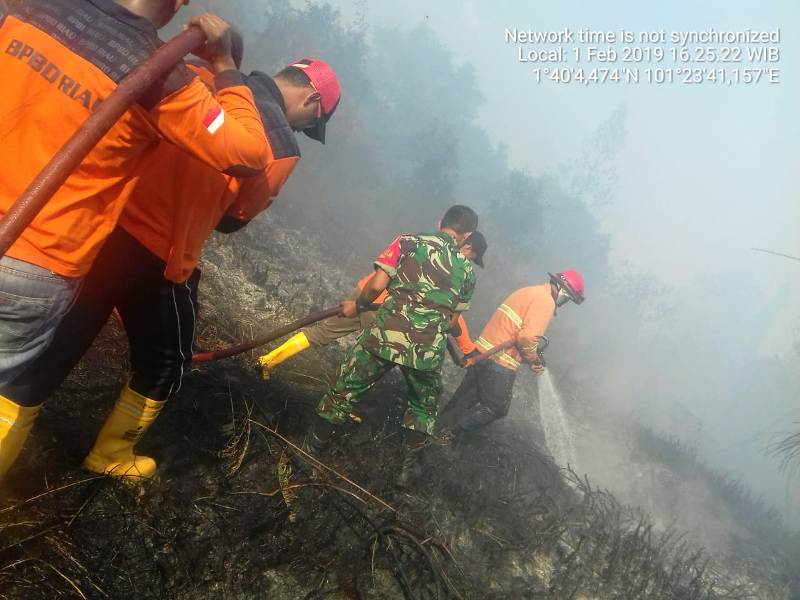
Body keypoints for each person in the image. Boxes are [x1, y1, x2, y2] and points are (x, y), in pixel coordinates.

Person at [0, 51, 341, 482]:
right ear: (311, 99)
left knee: (56, 347)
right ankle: (111, 453)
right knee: (168, 361)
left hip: (102, 226)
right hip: (161, 258)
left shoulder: (196, 74)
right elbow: (233, 219)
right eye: (310, 123)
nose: (302, 130)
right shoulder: (280, 144)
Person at [310, 206, 479, 450]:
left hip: (384, 334)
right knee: (423, 410)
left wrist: (358, 306)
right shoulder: (468, 271)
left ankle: (313, 446)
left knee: (344, 390)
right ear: (467, 235)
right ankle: (407, 467)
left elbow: (376, 285)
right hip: (426, 350)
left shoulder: (407, 242)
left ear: (440, 222)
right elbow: (452, 322)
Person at [257, 231, 488, 379]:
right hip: (386, 311)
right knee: (373, 357)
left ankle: (268, 360)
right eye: (473, 258)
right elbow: (451, 318)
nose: (470, 263)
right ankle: (341, 402)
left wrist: (360, 301)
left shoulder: (422, 245)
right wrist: (468, 350)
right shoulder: (452, 268)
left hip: (365, 294)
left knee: (322, 332)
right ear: (467, 247)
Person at [437, 271, 585, 439]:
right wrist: (533, 359)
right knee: (497, 408)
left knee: (463, 400)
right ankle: (450, 434)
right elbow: (527, 337)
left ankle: (434, 432)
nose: (564, 303)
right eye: (567, 299)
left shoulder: (530, 291)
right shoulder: (546, 301)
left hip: (483, 353)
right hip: (500, 362)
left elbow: (517, 331)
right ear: (562, 290)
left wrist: (531, 353)